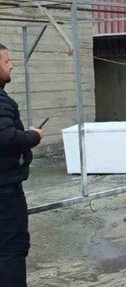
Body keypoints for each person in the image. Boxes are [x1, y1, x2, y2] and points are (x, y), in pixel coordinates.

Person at [0, 43, 43, 287]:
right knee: (11, 249)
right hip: (5, 191)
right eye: (6, 62)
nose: (12, 65)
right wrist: (33, 136)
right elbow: (5, 137)